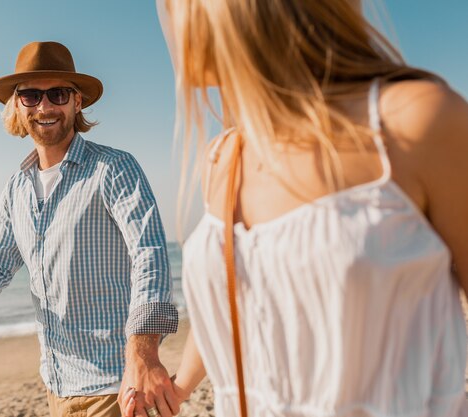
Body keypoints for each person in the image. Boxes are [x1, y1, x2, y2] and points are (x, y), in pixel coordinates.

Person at [123, 1, 468, 416]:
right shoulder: (223, 159)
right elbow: (235, 300)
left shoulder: (414, 123)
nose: (165, 19)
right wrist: (177, 390)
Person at [0, 41, 180, 417]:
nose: (45, 107)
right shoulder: (17, 187)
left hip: (119, 386)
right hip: (57, 385)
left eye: (58, 94)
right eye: (31, 95)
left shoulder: (113, 168)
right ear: (17, 105)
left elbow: (149, 254)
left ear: (77, 102)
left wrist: (143, 354)